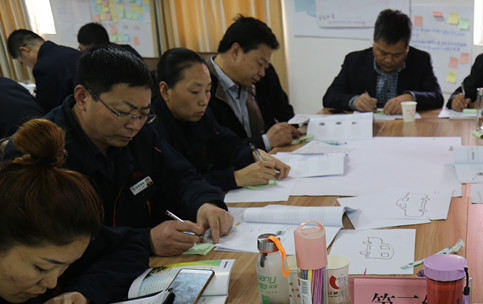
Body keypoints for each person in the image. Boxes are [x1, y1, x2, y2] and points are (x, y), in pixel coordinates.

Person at [3, 45, 234, 257]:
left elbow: (180, 176)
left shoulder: (140, 134)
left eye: (143, 113)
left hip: (140, 266)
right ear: (82, 97)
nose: (134, 124)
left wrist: (205, 204)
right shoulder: (41, 149)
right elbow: (57, 237)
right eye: (123, 112)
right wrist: (145, 240)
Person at [0, 119, 149, 304]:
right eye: (41, 268)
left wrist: (82, 291)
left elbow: (131, 246)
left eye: (66, 267)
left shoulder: (58, 236)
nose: (51, 283)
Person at [153, 47, 289, 191]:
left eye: (207, 90)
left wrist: (254, 155)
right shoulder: (153, 129)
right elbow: (179, 181)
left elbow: (229, 146)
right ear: (165, 90)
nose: (203, 101)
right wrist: (236, 178)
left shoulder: (202, 116)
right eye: (194, 92)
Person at [322, 9, 443, 114]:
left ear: (407, 48)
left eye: (397, 55)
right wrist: (355, 101)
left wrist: (411, 98)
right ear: (374, 41)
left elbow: (437, 97)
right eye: (383, 52)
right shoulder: (354, 61)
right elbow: (330, 97)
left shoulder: (421, 60)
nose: (389, 60)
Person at [207, 15, 299, 151]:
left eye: (265, 66)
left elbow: (285, 114)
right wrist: (265, 141)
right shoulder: (203, 86)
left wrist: (291, 128)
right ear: (236, 51)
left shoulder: (264, 75)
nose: (262, 72)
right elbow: (217, 149)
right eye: (260, 63)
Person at [6, 29, 82, 113]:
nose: (27, 66)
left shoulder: (42, 67)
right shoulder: (70, 51)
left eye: (22, 62)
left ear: (25, 50)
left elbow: (46, 107)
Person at [76, 22, 141, 58]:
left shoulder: (125, 57)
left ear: (102, 47)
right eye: (80, 50)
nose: (83, 55)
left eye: (87, 51)